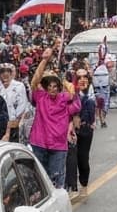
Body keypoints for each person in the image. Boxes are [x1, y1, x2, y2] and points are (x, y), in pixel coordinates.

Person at [29, 50, 80, 189]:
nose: (52, 88)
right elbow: (34, 82)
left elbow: (75, 101)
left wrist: (65, 82)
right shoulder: (40, 97)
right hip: (39, 142)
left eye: (55, 86)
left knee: (56, 180)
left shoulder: (64, 98)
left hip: (58, 145)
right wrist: (44, 60)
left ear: (59, 87)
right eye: (49, 86)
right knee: (40, 179)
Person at [65, 70, 96, 192]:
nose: (83, 80)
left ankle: (84, 184)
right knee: (71, 158)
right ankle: (72, 187)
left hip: (85, 130)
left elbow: (91, 116)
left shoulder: (90, 95)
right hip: (70, 129)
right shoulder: (69, 93)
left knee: (83, 158)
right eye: (79, 77)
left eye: (85, 77)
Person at [0, 65, 29, 142]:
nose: (5, 74)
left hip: (14, 124)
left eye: (7, 71)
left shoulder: (19, 86)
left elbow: (22, 105)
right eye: (2, 71)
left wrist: (13, 121)